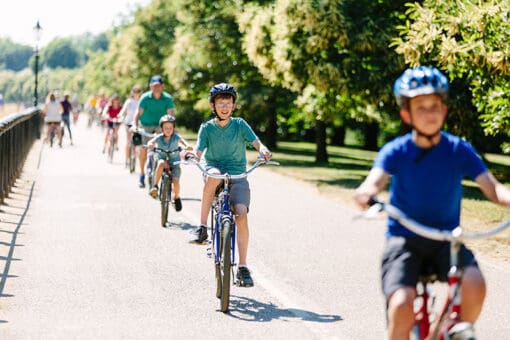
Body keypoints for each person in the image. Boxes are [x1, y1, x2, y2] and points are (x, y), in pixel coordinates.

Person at [354, 66, 510, 339]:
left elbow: (494, 190)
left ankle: (455, 329)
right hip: (404, 240)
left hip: (446, 241)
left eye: (435, 106)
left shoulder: (458, 150)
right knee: (401, 303)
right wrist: (365, 193)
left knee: (474, 283)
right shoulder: (397, 150)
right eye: (421, 107)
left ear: (445, 109)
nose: (430, 113)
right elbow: (374, 181)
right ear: (407, 113)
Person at [186, 83, 272, 287]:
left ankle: (242, 267)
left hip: (238, 175)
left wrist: (264, 150)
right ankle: (202, 228)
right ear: (213, 106)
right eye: (220, 103)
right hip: (214, 169)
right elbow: (198, 152)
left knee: (241, 214)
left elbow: (257, 143)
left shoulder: (240, 124)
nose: (224, 107)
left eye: (228, 103)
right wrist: (190, 156)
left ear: (233, 106)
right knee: (214, 175)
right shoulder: (207, 128)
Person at [132, 75, 175, 188]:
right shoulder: (145, 97)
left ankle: (166, 174)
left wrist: (171, 127)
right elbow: (138, 113)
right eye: (154, 85)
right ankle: (142, 174)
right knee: (144, 149)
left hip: (161, 126)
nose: (156, 88)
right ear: (150, 86)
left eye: (158, 85)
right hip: (146, 125)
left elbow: (170, 114)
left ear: (162, 86)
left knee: (166, 149)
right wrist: (135, 125)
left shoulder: (167, 98)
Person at [147, 115, 193, 211]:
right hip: (162, 161)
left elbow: (183, 141)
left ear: (173, 128)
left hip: (174, 162)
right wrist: (150, 145)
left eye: (170, 128)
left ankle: (176, 197)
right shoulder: (159, 138)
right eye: (166, 128)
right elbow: (151, 142)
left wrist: (187, 146)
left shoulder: (176, 137)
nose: (168, 130)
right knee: (161, 163)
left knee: (176, 181)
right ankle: (155, 186)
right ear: (162, 129)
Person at [119, 85, 142, 166]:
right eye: (135, 92)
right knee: (128, 141)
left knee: (139, 143)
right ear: (132, 92)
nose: (136, 93)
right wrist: (120, 115)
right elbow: (123, 110)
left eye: (138, 92)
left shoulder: (142, 101)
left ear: (140, 93)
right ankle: (127, 160)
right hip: (129, 123)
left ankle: (136, 157)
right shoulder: (129, 101)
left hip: (138, 124)